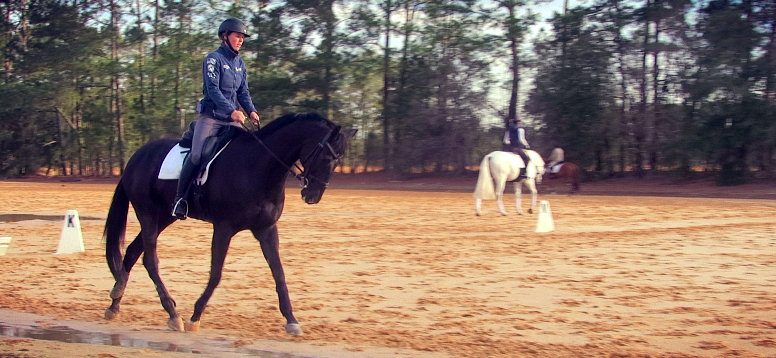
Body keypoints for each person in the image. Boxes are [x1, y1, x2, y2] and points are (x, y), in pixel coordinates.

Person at [172, 18, 261, 220]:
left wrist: (251, 110)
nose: (241, 40)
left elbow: (243, 92)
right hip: (211, 117)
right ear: (225, 36)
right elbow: (213, 90)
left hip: (233, 119)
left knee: (246, 152)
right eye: (237, 36)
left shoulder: (240, 64)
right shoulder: (213, 59)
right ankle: (180, 200)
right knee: (197, 155)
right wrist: (232, 111)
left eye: (243, 37)